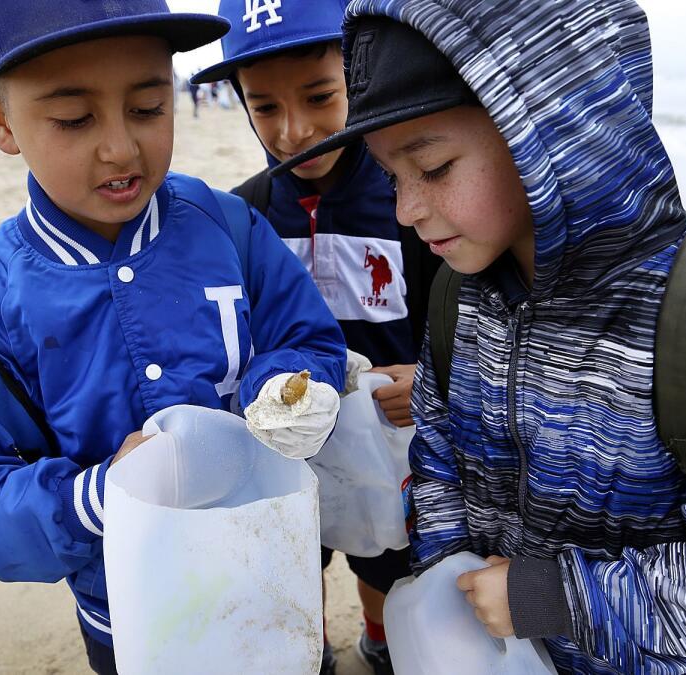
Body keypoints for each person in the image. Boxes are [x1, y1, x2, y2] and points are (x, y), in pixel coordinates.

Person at [275, 1, 686, 673]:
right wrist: (447, 581)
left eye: (435, 168)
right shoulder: (456, 297)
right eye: (390, 175)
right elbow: (439, 465)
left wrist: (551, 596)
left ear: (552, 130)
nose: (407, 210)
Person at [0, 2, 347, 674]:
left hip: (268, 569)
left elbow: (308, 336)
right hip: (130, 615)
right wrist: (96, 496)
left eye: (147, 107)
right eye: (74, 118)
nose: (120, 147)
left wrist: (285, 386)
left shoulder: (229, 226)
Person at [194, 1, 440, 672]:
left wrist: (431, 378)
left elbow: (459, 317)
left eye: (319, 97)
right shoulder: (240, 216)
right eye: (264, 106)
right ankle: (311, 652)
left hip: (388, 443)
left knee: (386, 556)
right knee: (289, 560)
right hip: (281, 451)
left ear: (358, 75)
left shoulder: (410, 198)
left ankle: (380, 640)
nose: (294, 131)